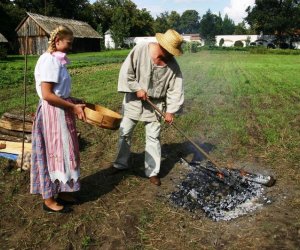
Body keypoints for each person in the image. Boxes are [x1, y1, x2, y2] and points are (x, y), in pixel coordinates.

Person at [112, 29, 184, 186]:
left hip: (155, 105)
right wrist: (137, 88)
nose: (173, 55)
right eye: (171, 51)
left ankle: (152, 172)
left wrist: (170, 111)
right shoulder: (140, 49)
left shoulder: (173, 66)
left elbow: (175, 89)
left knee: (153, 137)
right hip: (133, 100)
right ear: (162, 46)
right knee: (125, 133)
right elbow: (127, 72)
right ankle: (120, 164)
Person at [30, 25, 86, 213]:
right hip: (52, 115)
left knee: (64, 153)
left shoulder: (57, 61)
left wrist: (75, 101)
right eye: (68, 43)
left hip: (61, 112)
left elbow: (59, 91)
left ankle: (63, 192)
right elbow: (47, 95)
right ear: (57, 41)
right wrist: (72, 107)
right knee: (51, 155)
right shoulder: (49, 61)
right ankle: (48, 200)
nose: (70, 47)